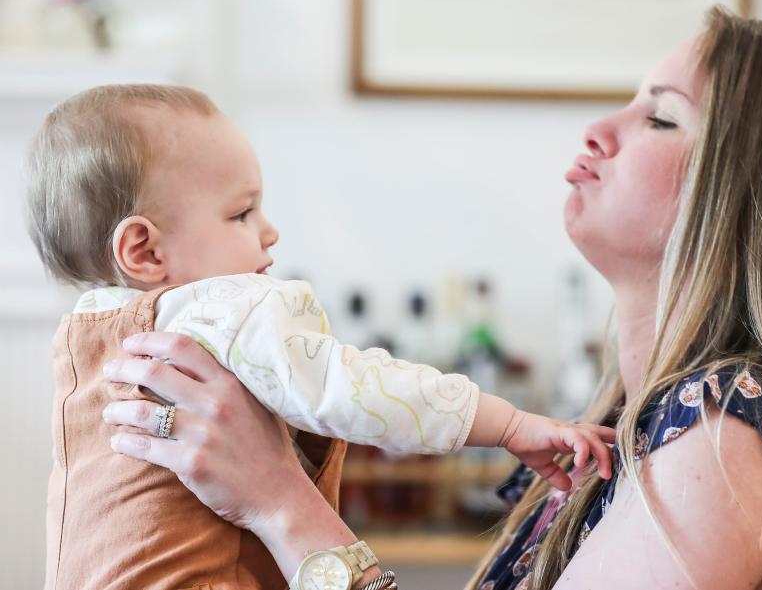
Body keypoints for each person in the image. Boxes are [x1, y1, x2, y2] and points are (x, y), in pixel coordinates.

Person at [103, 7, 762, 590]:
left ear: (760, 199)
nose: (600, 130)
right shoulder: (647, 425)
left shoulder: (732, 430)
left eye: (660, 119)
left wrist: (281, 504)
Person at [26, 85, 615, 590]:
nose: (269, 230)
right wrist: (508, 425)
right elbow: (354, 390)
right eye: (242, 214)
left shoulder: (83, 338)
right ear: (146, 250)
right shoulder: (227, 307)